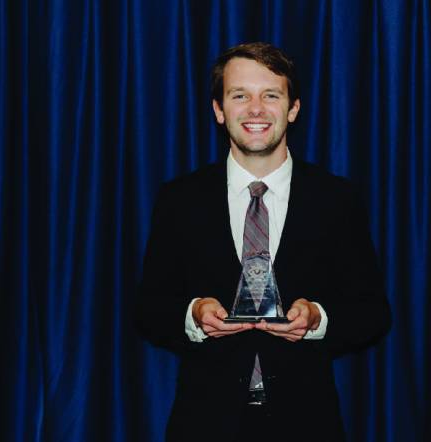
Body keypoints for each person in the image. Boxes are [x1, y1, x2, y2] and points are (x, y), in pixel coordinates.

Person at [137, 42, 391, 441]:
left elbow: (373, 312)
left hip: (309, 423)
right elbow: (149, 310)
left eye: (270, 95)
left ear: (293, 108)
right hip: (204, 424)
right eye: (240, 96)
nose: (256, 109)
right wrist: (194, 313)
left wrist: (317, 319)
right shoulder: (180, 199)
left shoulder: (337, 199)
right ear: (219, 110)